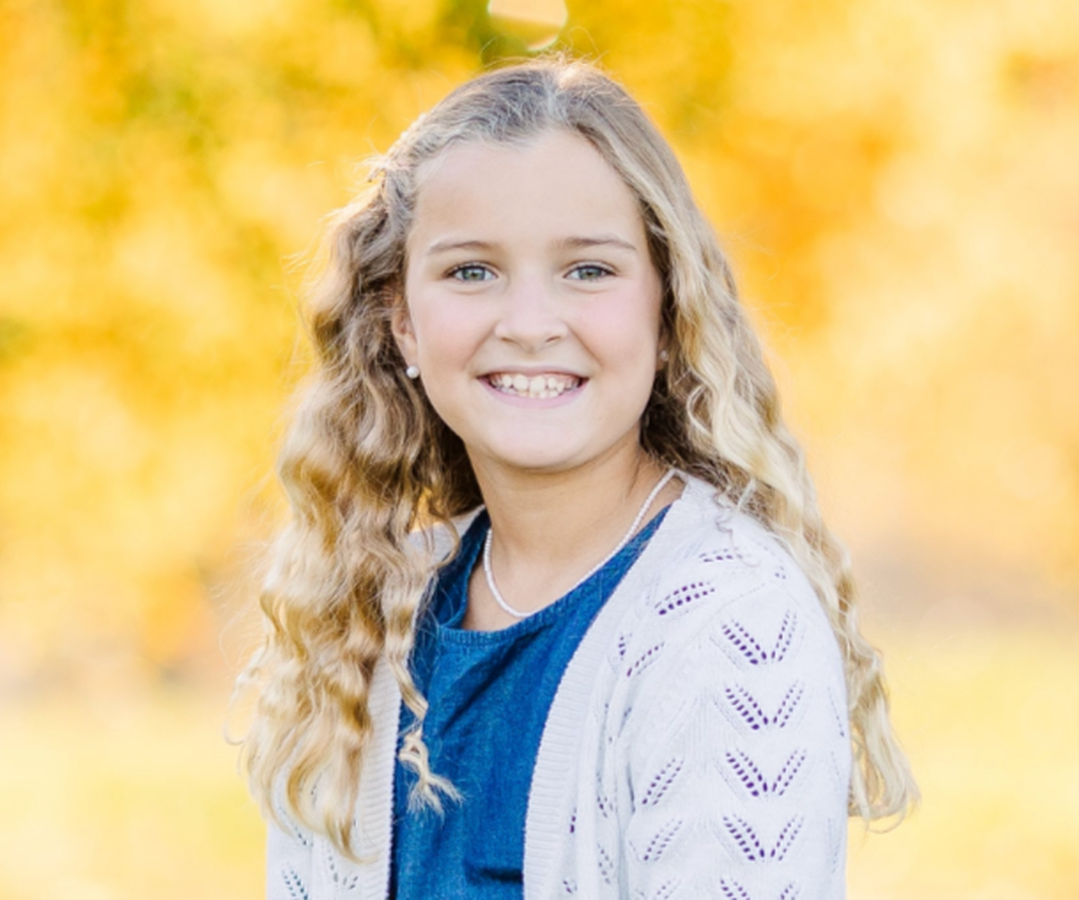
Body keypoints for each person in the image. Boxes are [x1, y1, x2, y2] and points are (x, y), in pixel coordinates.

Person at [237, 57, 917, 900]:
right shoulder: (365, 613)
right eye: (471, 271)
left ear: (668, 313)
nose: (529, 325)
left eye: (588, 270)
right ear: (402, 321)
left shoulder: (730, 622)